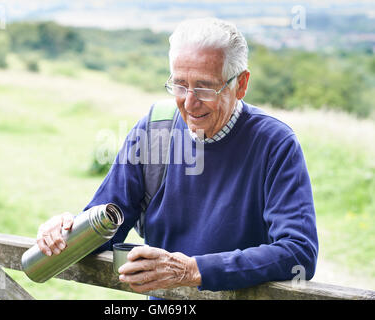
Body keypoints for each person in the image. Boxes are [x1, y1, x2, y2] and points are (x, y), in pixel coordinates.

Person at [35, 17, 318, 294]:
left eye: (205, 87)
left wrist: (194, 270)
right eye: (180, 85)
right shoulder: (155, 129)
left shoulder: (275, 144)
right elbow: (107, 228)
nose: (190, 102)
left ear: (240, 85)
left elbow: (299, 252)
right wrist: (68, 232)